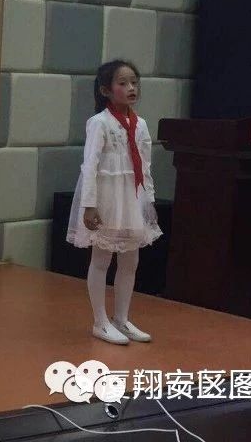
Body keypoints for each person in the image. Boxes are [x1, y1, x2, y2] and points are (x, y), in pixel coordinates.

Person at [66, 59, 162, 345]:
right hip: (107, 197)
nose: (131, 88)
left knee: (131, 259)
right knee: (102, 258)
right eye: (123, 83)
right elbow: (90, 165)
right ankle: (100, 321)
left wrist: (149, 201)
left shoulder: (141, 124)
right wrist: (89, 204)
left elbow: (145, 166)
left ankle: (121, 318)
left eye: (134, 82)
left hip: (132, 197)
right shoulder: (100, 123)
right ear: (106, 90)